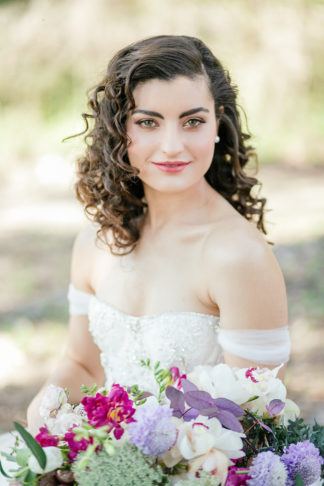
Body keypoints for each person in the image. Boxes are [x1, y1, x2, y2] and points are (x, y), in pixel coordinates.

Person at [7, 36, 292, 450]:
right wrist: (45, 413)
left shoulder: (238, 258)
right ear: (119, 128)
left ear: (218, 123)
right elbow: (82, 364)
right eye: (148, 122)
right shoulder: (95, 242)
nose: (172, 145)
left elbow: (256, 426)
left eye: (192, 121)